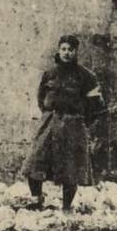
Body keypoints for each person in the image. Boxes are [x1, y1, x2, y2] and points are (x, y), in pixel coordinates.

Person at [22, 35, 104, 212]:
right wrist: (48, 116)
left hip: (73, 125)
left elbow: (96, 105)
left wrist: (80, 122)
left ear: (76, 52)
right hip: (50, 123)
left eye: (70, 50)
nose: (67, 53)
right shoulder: (50, 74)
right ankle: (37, 199)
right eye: (64, 49)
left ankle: (66, 207)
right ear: (59, 50)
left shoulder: (86, 76)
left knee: (70, 168)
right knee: (35, 161)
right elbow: (41, 98)